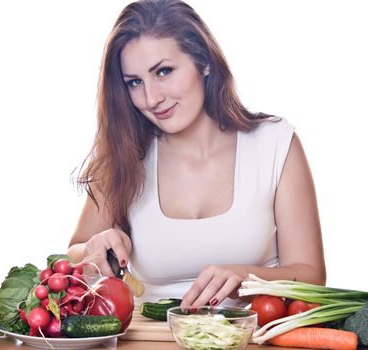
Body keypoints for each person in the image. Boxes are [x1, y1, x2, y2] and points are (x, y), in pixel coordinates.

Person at [67, 0, 326, 308]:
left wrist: (247, 278)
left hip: (251, 338)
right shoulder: (125, 153)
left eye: (163, 71)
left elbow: (311, 275)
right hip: (149, 339)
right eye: (135, 82)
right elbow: (75, 249)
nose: (151, 98)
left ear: (203, 62)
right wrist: (91, 249)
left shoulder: (275, 144)